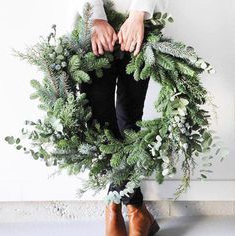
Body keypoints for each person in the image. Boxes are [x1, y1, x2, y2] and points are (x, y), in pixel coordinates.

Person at [65, 0, 168, 235]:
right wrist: (95, 17)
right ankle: (135, 209)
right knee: (100, 125)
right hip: (93, 26)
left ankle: (119, 208)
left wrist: (138, 14)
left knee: (129, 120)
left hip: (137, 24)